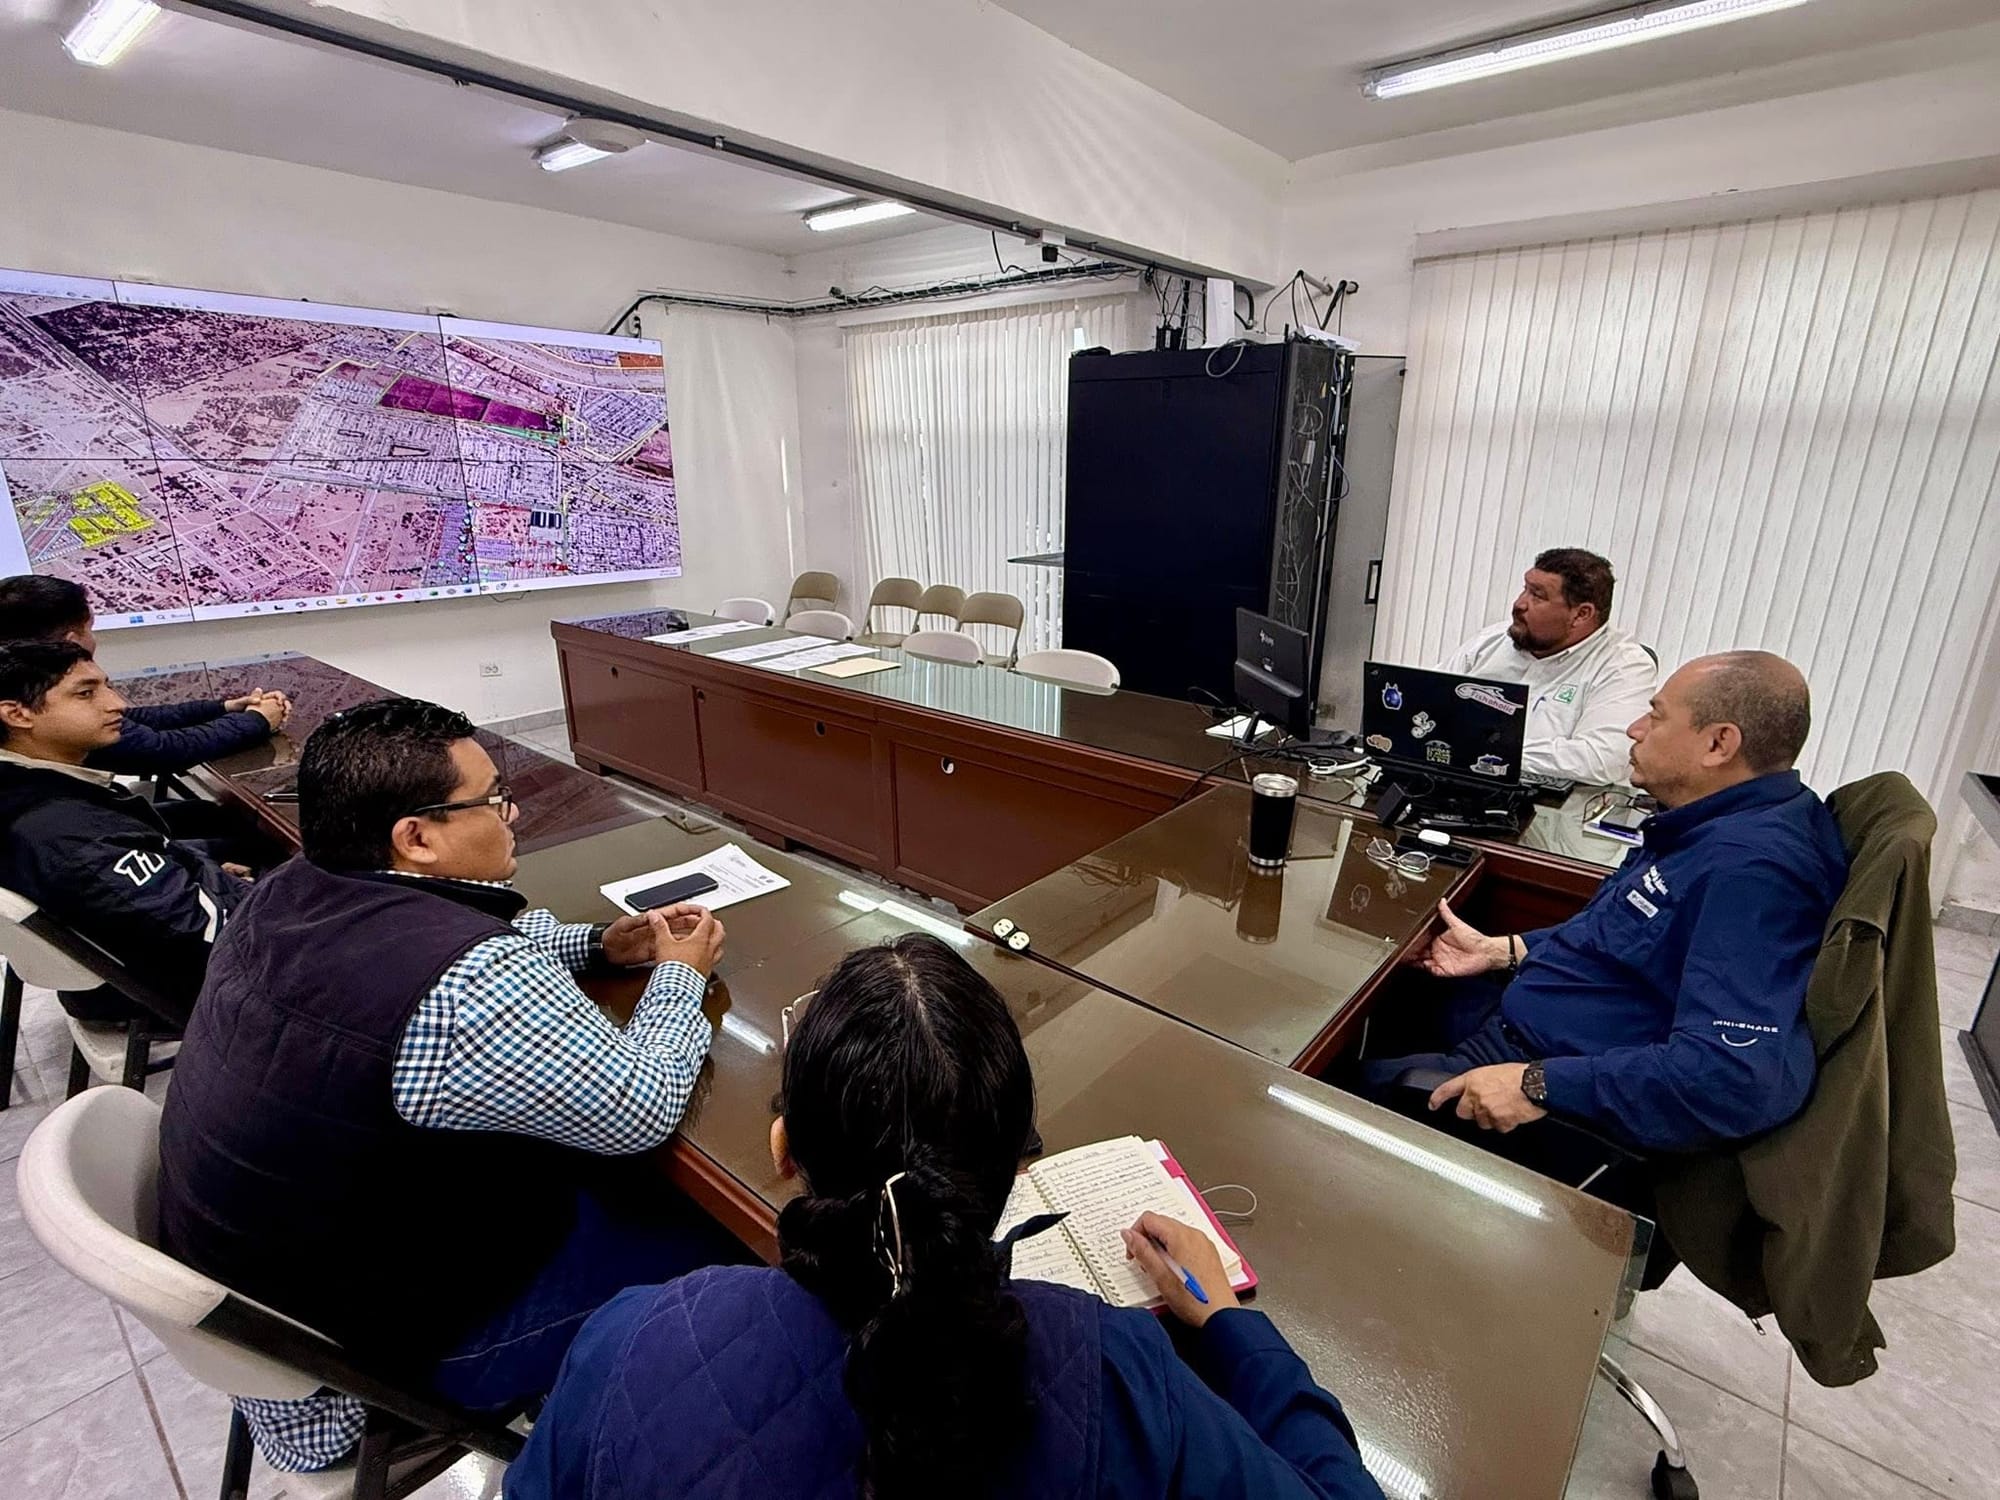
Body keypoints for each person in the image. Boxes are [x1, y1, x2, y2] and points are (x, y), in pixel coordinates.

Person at [507, 933, 1386, 1500]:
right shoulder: (1118, 1371)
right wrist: (1233, 1328)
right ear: (1020, 1168)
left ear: (783, 1148)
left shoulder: (631, 1339)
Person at [155, 697, 742, 1473]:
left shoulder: (291, 889)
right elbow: (641, 1105)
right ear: (418, 838)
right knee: (728, 1230)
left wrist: (598, 944)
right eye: (492, 799)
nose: (513, 812)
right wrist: (676, 977)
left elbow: (479, 934)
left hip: (283, 1314)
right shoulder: (465, 984)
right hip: (375, 1371)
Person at [1359, 651, 1849, 1156]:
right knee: (1382, 987)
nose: (1635, 730)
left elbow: (1737, 1075)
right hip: (1536, 1018)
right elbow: (1621, 935)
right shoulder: (1712, 823)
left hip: (1545, 1080)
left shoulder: (1753, 873)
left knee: (1323, 1078)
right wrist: (1504, 949)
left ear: (1719, 743)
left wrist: (1538, 1085)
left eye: (1656, 717)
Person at [0, 640, 249, 1024]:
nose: (116, 704)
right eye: (86, 694)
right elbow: (215, 936)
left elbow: (151, 882)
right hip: (182, 987)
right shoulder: (64, 833)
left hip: (134, 961)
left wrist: (203, 873)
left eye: (106, 687)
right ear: (17, 714)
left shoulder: (32, 786)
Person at [0, 574, 290, 773]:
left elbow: (132, 721)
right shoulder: (44, 695)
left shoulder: (15, 677)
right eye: (91, 627)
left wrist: (223, 708)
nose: (117, 704)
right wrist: (257, 720)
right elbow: (164, 751)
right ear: (71, 641)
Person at [1436, 548, 1657, 785]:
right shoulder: (1493, 639)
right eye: (1525, 589)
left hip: (1554, 808)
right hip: (1457, 784)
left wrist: (1488, 749)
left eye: (1537, 596)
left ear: (1582, 614)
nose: (1519, 604)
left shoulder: (1624, 665)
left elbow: (1600, 760)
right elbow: (1425, 698)